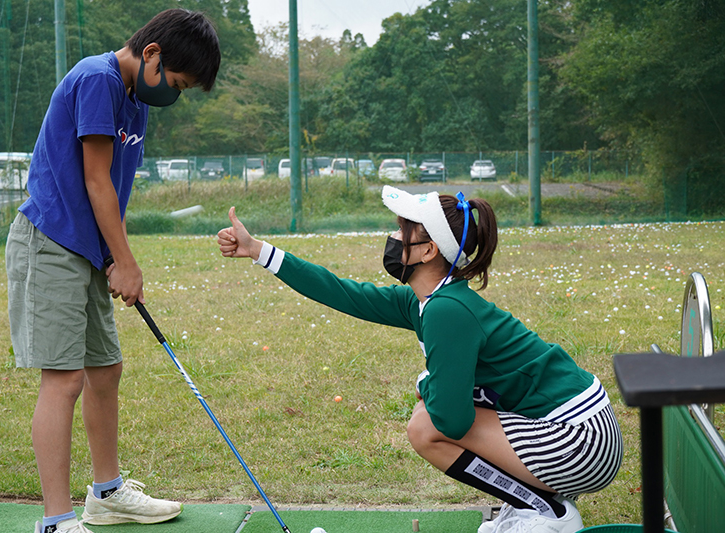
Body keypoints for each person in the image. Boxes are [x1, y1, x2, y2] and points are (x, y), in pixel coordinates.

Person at [216, 186, 624, 533]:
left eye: (401, 230)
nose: (392, 237)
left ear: (428, 249)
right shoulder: (428, 301)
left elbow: (452, 421)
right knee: (429, 414)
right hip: (574, 429)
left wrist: (424, 382)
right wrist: (259, 251)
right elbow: (342, 293)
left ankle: (548, 511)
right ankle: (532, 502)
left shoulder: (449, 311)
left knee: (426, 426)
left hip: (580, 441)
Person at [5, 9, 220, 533]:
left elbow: (115, 193)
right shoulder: (97, 79)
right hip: (50, 242)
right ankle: (56, 521)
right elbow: (95, 179)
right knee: (64, 379)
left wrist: (110, 256)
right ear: (152, 54)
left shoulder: (135, 101)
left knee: (105, 369)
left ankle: (107, 494)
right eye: (177, 81)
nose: (176, 93)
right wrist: (126, 261)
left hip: (87, 251)